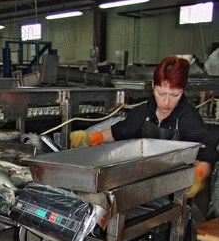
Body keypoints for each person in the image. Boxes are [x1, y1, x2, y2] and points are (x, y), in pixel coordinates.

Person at [70, 56, 216, 198]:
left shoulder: (189, 119)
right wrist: (91, 137)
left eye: (174, 95)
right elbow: (118, 132)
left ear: (183, 91)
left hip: (175, 192)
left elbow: (205, 157)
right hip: (142, 188)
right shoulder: (143, 113)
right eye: (161, 93)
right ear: (153, 86)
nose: (166, 101)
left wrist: (198, 175)